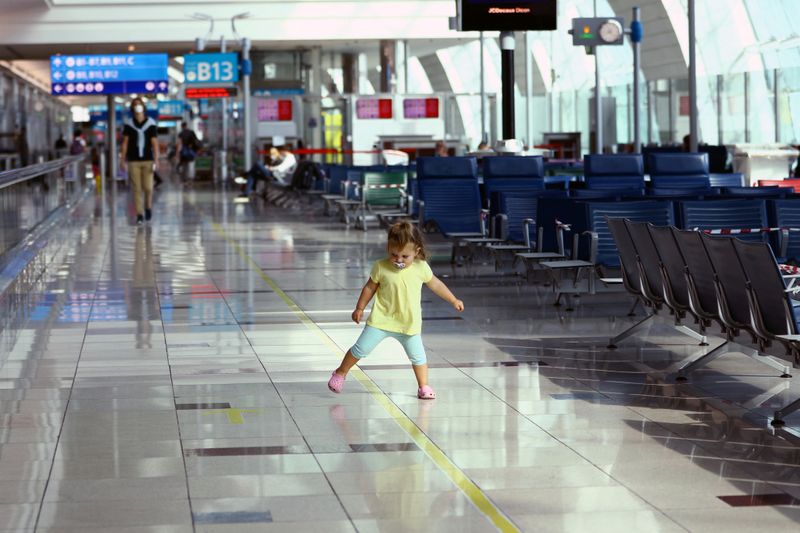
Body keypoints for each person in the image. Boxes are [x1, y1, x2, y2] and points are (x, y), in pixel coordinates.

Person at [327, 220, 465, 399]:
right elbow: (369, 288)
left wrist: (453, 299)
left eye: (404, 256)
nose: (398, 260)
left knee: (418, 357)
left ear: (417, 252)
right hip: (381, 321)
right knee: (360, 349)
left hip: (409, 323)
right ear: (388, 248)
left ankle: (423, 386)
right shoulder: (381, 267)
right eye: (394, 254)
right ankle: (340, 373)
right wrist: (360, 307)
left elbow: (436, 284)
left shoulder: (421, 267)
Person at [120, 98, 159, 225]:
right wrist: (122, 159)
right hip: (133, 160)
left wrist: (156, 159)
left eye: (139, 104)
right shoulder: (129, 124)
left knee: (148, 188)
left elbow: (154, 143)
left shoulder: (151, 123)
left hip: (148, 159)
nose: (137, 107)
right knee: (136, 188)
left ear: (143, 107)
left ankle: (147, 207)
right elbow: (125, 143)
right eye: (135, 105)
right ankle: (140, 214)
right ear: (132, 108)